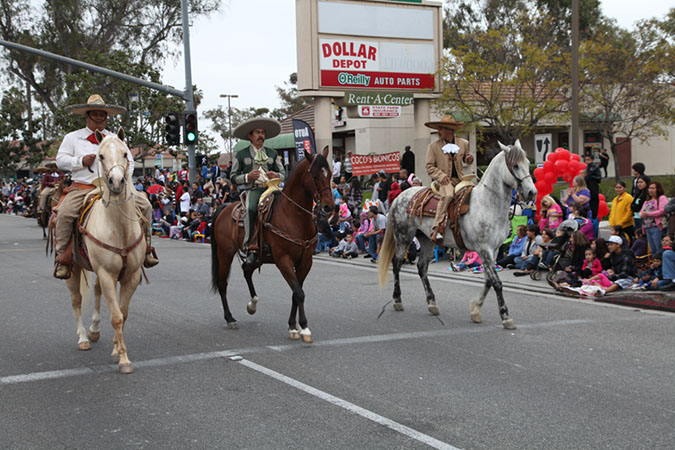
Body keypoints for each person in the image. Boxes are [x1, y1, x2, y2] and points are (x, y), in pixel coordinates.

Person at [52, 94, 158, 279]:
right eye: (95, 114)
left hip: (114, 188)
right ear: (87, 115)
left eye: (102, 114)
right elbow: (60, 160)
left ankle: (147, 248)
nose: (99, 118)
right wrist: (80, 161)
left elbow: (129, 161)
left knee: (146, 205)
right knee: (64, 213)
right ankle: (63, 258)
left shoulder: (115, 139)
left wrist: (123, 178)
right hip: (83, 187)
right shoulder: (73, 138)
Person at [230, 116, 285, 266]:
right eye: (257, 132)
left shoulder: (273, 153)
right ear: (250, 136)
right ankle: (250, 246)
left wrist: (276, 175)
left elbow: (283, 173)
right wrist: (247, 176)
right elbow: (233, 177)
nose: (261, 136)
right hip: (254, 189)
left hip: (272, 189)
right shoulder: (241, 154)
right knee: (250, 209)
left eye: (263, 133)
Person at [424, 115, 475, 244]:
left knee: (476, 192)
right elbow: (429, 167)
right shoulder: (433, 147)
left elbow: (466, 160)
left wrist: (469, 159)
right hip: (445, 181)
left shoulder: (464, 143)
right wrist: (441, 176)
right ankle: (437, 227)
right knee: (447, 195)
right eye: (439, 129)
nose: (439, 132)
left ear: (450, 130)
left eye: (441, 129)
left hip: (460, 179)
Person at [639, 181, 668, 255]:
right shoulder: (647, 201)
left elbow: (663, 211)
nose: (650, 190)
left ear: (658, 189)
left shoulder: (661, 198)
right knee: (652, 249)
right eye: (649, 188)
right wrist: (642, 214)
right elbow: (641, 212)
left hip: (657, 226)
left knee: (659, 247)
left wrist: (648, 214)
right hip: (647, 227)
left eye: (653, 188)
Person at [609, 181, 634, 245]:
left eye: (620, 187)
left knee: (627, 243)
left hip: (625, 226)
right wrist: (611, 222)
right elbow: (612, 212)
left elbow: (629, 212)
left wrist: (621, 223)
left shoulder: (628, 198)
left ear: (624, 188)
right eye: (616, 187)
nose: (618, 189)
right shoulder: (615, 199)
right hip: (616, 227)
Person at [583, 154, 601, 219]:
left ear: (592, 160)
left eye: (588, 160)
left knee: (593, 204)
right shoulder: (587, 167)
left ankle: (593, 217)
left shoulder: (594, 167)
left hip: (593, 188)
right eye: (586, 160)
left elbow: (596, 177)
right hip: (587, 187)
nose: (587, 161)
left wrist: (587, 177)